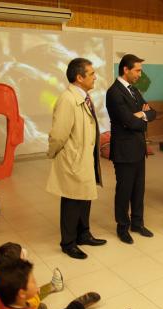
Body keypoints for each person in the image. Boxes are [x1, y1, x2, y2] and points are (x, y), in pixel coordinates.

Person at [46, 58, 106, 260]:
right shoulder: (67, 99)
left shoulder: (84, 96)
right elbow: (58, 134)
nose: (95, 76)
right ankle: (68, 243)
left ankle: (83, 234)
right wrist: (52, 153)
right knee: (72, 200)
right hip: (73, 158)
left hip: (84, 157)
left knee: (85, 197)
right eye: (91, 73)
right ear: (79, 78)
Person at [105, 54, 156, 244]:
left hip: (138, 148)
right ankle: (122, 227)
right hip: (124, 150)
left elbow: (153, 112)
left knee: (139, 189)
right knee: (124, 190)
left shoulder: (133, 90)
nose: (140, 74)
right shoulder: (114, 92)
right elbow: (127, 121)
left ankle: (137, 223)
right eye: (137, 70)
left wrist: (141, 114)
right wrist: (142, 119)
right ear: (125, 69)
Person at [0, 242, 63, 309]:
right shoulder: (8, 290)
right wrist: (35, 292)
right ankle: (53, 286)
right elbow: (31, 302)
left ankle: (52, 286)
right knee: (41, 306)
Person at [0, 259, 100, 309]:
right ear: (21, 293)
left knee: (41, 307)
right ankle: (76, 306)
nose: (36, 283)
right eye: (33, 281)